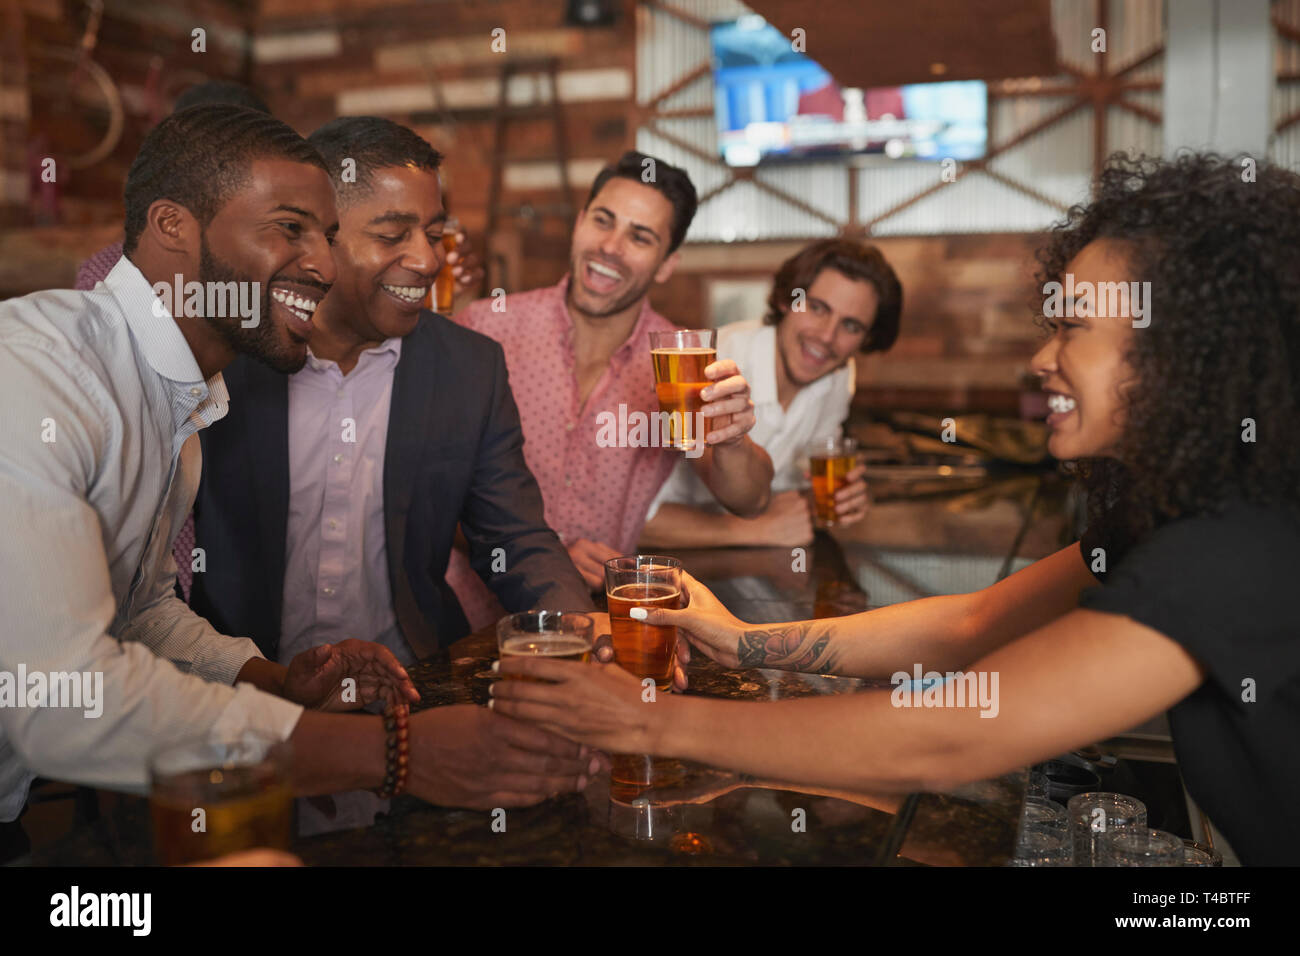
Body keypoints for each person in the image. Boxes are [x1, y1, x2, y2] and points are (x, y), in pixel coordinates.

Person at [491, 152, 1300, 866]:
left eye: (1073, 329)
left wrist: (647, 724)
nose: (1039, 359)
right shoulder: (1165, 522)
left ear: (1183, 352)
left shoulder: (1234, 549)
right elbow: (970, 625)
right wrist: (741, 641)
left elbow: (951, 734)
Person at [0, 105, 588, 862]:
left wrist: (273, 678)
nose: (320, 262)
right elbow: (60, 704)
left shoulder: (182, 400)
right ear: (174, 225)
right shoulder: (37, 373)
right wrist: (393, 751)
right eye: (291, 229)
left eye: (326, 235)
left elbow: (140, 611)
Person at [190, 116, 601, 832]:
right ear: (317, 238)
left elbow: (516, 535)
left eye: (435, 233)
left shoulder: (467, 369)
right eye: (392, 234)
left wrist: (580, 628)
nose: (426, 258)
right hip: (241, 718)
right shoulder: (231, 355)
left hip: (416, 707)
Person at [445, 150, 774, 626]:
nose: (611, 247)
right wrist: (547, 555)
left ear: (666, 264)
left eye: (640, 237)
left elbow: (751, 498)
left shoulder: (677, 364)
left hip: (588, 632)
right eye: (603, 221)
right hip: (459, 630)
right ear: (580, 223)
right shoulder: (487, 325)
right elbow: (429, 493)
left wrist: (733, 440)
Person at [640, 238, 902, 549]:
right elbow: (628, 518)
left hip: (749, 570)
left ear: (866, 339)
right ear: (784, 301)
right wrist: (750, 531)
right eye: (817, 308)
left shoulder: (839, 379)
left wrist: (837, 498)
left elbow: (789, 488)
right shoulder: (711, 364)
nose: (827, 336)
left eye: (851, 326)